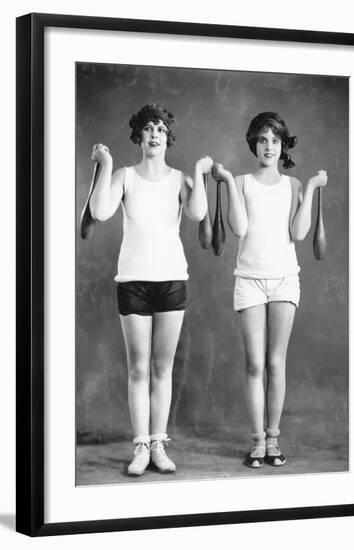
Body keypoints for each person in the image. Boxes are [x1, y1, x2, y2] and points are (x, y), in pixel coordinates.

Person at [88, 104, 211, 476]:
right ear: (139, 136)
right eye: (148, 129)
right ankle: (140, 446)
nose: (155, 134)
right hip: (133, 283)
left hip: (172, 281)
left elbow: (198, 214)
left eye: (160, 129)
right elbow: (100, 211)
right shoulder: (125, 175)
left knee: (163, 367)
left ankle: (159, 443)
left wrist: (199, 175)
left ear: (167, 137)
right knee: (138, 368)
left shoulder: (179, 179)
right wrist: (106, 165)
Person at [212, 112, 327, 468]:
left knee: (276, 363)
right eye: (263, 139)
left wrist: (309, 189)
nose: (269, 146)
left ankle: (274, 439)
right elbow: (238, 228)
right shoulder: (244, 182)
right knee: (254, 364)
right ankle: (257, 442)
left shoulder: (292, 186)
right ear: (254, 143)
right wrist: (229, 182)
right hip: (249, 280)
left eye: (275, 140)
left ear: (282, 145)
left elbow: (299, 233)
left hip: (283, 280)